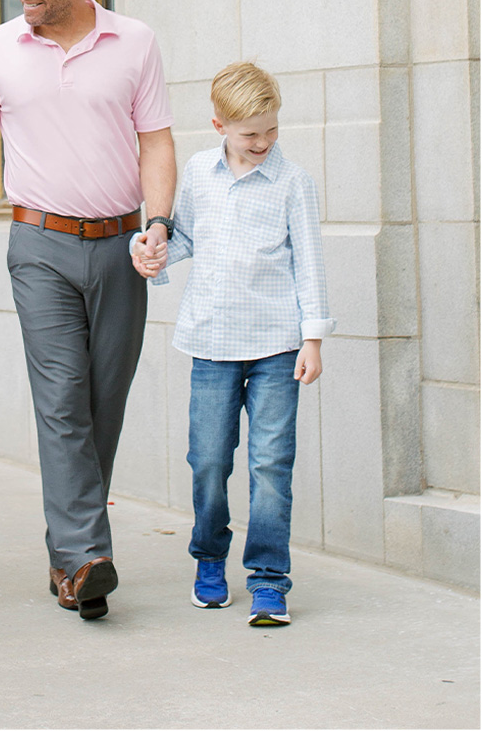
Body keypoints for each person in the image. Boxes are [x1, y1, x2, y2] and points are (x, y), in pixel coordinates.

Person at [0, 0, 176, 621]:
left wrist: (159, 223)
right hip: (37, 243)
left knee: (105, 399)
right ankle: (87, 555)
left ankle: (66, 555)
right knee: (63, 397)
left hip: (120, 244)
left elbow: (157, 145)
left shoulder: (135, 43)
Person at [131, 61, 334, 626]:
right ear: (219, 124)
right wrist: (152, 255)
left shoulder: (293, 183)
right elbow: (186, 237)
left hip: (277, 346)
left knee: (271, 465)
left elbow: (310, 264)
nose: (264, 142)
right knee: (210, 461)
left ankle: (269, 579)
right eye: (251, 133)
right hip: (212, 343)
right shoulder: (197, 172)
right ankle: (210, 560)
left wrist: (312, 339)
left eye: (272, 130)